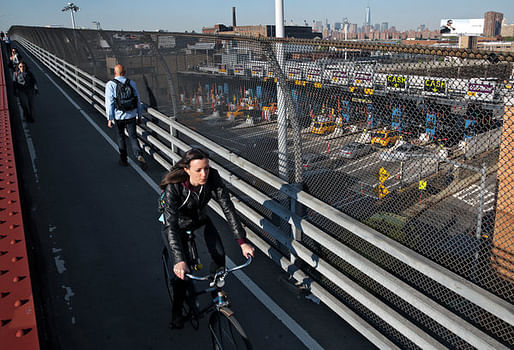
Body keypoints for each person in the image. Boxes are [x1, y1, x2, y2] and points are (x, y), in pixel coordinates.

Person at [159, 148, 255, 329]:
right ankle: (177, 312)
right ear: (187, 170)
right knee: (183, 277)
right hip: (176, 225)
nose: (204, 174)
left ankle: (215, 288)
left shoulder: (212, 177)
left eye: (207, 168)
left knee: (219, 255)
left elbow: (227, 207)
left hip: (199, 218)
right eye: (198, 170)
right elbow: (170, 225)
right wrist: (179, 260)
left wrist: (242, 242)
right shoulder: (175, 186)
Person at [105, 64, 146, 167]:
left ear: (115, 73)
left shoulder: (110, 84)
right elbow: (137, 100)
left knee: (121, 137)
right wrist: (139, 115)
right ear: (125, 72)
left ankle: (123, 160)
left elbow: (109, 103)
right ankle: (138, 155)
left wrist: (110, 118)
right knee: (133, 137)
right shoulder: (131, 83)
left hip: (118, 117)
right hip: (131, 115)